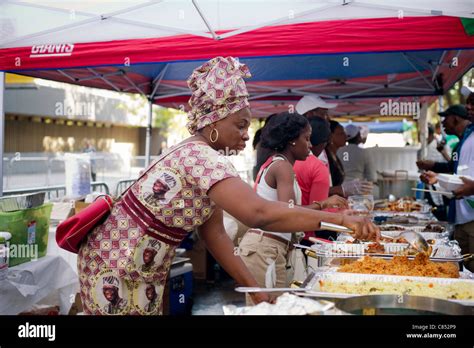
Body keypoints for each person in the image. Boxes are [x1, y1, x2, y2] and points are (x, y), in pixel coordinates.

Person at [78, 56, 379, 315]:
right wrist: (337, 218)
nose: (248, 135)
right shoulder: (201, 156)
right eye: (240, 125)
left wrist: (256, 289)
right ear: (211, 123)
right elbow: (258, 213)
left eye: (248, 125)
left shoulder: (202, 158)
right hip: (116, 265)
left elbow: (217, 234)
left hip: (135, 264)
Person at [419, 105, 473, 271]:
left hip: (471, 217)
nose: (442, 122)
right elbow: (456, 171)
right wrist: (438, 178)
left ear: (455, 118)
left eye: (445, 118)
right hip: (462, 216)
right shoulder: (464, 140)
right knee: (464, 268)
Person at [294, 117, 348, 244]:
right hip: (307, 237)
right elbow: (317, 214)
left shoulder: (285, 162)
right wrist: (344, 218)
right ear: (326, 142)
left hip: (290, 233)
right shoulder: (317, 166)